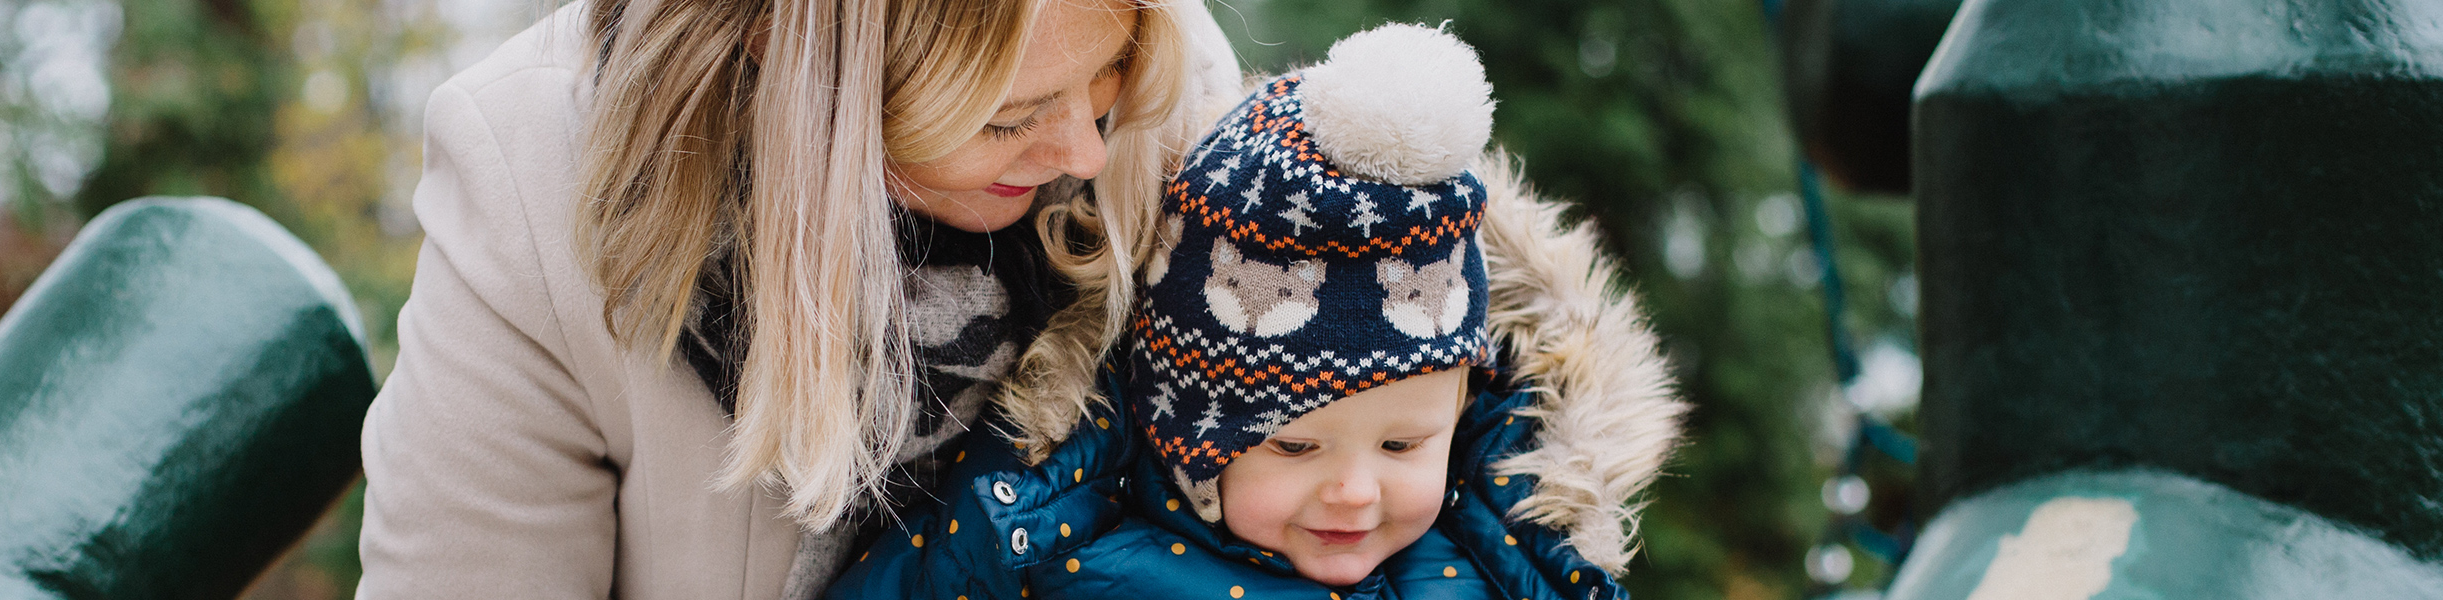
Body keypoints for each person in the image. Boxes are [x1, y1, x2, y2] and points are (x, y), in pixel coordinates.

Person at [355, 0, 1245, 597]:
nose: (1086, 154)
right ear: (792, 64)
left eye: (1109, 75)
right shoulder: (533, 185)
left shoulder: (1186, 104)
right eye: (1008, 119)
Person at [826, 25, 1689, 599]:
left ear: (1461, 414)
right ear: (1186, 430)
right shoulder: (1042, 532)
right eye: (1293, 444)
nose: (1356, 490)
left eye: (1403, 444)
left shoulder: (1514, 559)